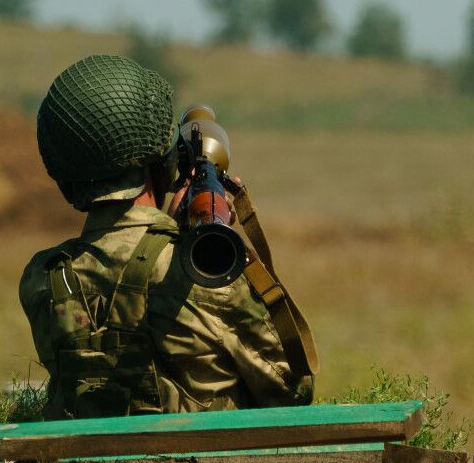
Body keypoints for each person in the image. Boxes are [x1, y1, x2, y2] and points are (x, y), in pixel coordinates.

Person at [19, 54, 314, 417]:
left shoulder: (43, 278)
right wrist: (203, 245)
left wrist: (169, 232)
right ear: (159, 160)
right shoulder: (204, 275)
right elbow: (293, 392)